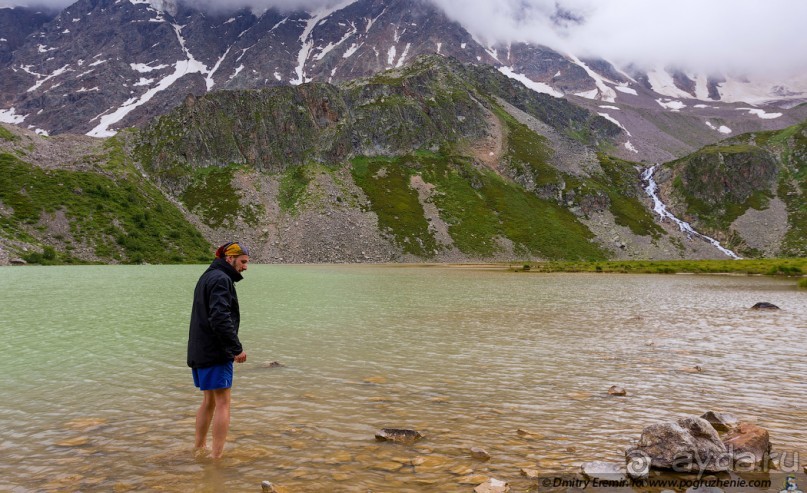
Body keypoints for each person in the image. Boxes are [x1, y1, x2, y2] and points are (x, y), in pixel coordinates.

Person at [187, 241, 250, 459]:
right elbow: (220, 317)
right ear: (229, 258)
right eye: (243, 262)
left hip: (200, 350)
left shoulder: (207, 275)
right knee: (223, 402)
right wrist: (236, 348)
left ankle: (199, 448)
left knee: (209, 401)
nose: (245, 267)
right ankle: (217, 458)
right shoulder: (222, 280)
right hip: (215, 351)